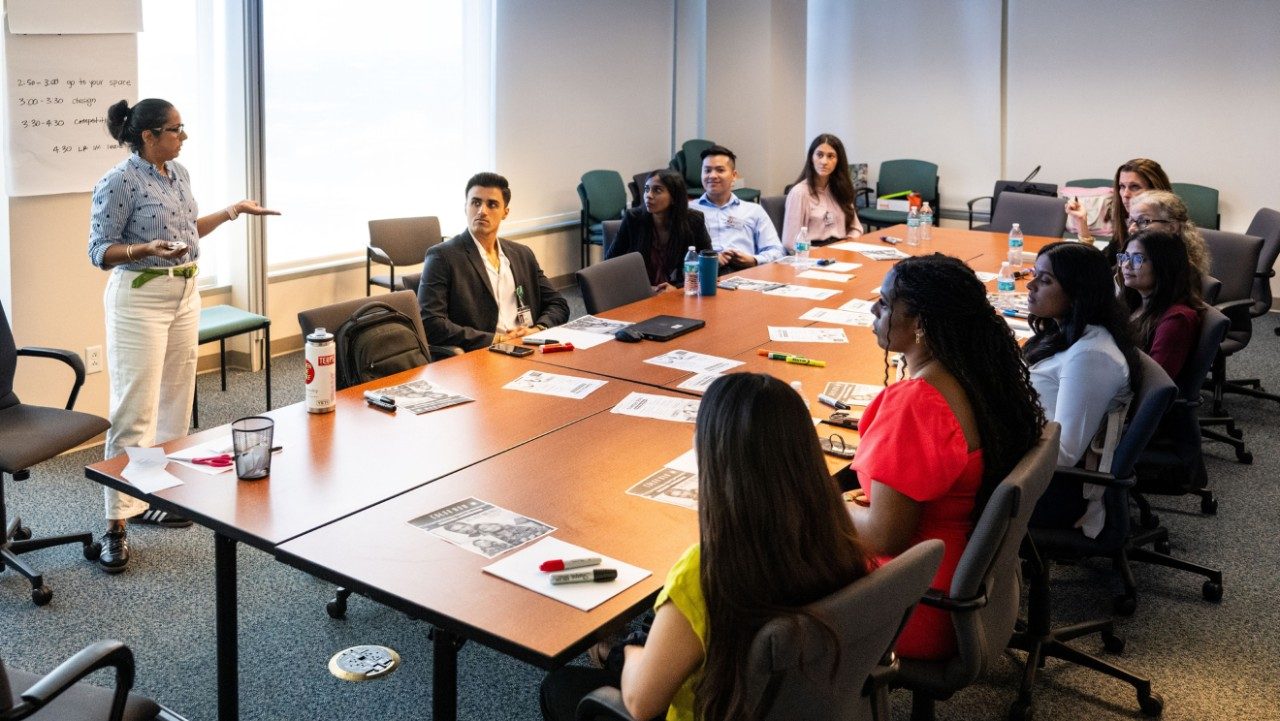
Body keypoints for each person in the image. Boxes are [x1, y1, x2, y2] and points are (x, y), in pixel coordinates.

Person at [540, 373, 870, 721]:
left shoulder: (708, 570)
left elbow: (641, 703)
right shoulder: (836, 531)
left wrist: (624, 653)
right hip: (800, 701)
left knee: (559, 686)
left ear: (712, 456)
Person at [87, 98, 278, 572]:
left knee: (175, 404)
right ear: (148, 136)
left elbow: (188, 230)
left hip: (184, 293)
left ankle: (152, 497)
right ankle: (115, 523)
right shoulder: (119, 181)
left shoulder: (178, 174)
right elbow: (99, 250)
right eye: (175, 129)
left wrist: (231, 212)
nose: (183, 136)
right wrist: (143, 247)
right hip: (140, 296)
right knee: (135, 409)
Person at [844, 254, 1044, 661]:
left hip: (913, 602)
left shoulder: (918, 404)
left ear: (920, 324)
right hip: (960, 585)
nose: (873, 309)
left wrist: (818, 500)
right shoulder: (975, 375)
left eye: (884, 303)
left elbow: (885, 536)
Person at [1023, 242, 1140, 535]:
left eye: (1045, 280)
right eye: (1034, 275)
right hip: (1028, 466)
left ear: (1077, 293)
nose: (1031, 285)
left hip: (1050, 490)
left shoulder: (1091, 356)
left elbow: (1063, 454)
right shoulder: (1067, 332)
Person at [418, 172, 569, 352]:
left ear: (505, 212)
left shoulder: (522, 254)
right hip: (483, 353)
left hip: (527, 347)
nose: (482, 210)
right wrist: (496, 338)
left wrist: (536, 330)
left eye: (492, 204)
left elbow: (558, 304)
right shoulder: (442, 257)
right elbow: (430, 323)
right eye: (476, 202)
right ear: (465, 207)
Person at [1119, 229, 1204, 381]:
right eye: (1125, 257)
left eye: (1138, 259)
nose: (1126, 265)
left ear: (1163, 265)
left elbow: (1154, 382)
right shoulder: (1133, 301)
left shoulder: (1176, 320)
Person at [607, 169, 712, 291]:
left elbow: (708, 264)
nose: (649, 195)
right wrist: (645, 288)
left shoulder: (694, 220)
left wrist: (678, 289)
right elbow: (610, 263)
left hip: (680, 294)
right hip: (642, 293)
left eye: (657, 190)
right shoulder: (634, 219)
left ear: (674, 197)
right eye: (646, 189)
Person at [690, 145, 784, 272]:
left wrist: (754, 260)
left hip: (746, 274)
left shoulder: (754, 210)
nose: (712, 175)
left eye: (720, 170)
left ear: (734, 176)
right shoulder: (689, 211)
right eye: (707, 170)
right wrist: (709, 260)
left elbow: (777, 250)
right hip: (704, 276)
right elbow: (678, 255)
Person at [1066, 157, 1171, 260]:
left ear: (1156, 191)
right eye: (1122, 186)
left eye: (1135, 186)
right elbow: (1101, 264)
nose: (1125, 194)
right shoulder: (1127, 227)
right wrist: (1081, 221)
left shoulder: (1166, 232)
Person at [781, 133, 863, 249]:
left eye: (830, 156)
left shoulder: (841, 189)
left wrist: (848, 244)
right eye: (819, 155)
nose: (824, 161)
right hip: (813, 254)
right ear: (811, 158)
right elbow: (790, 243)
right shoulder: (799, 193)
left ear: (838, 161)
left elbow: (856, 228)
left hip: (841, 249)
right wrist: (822, 255)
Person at [1126, 189, 1210, 293]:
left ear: (1172, 227)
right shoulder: (1130, 260)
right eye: (1130, 221)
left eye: (1143, 221)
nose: (1132, 229)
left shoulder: (1181, 274)